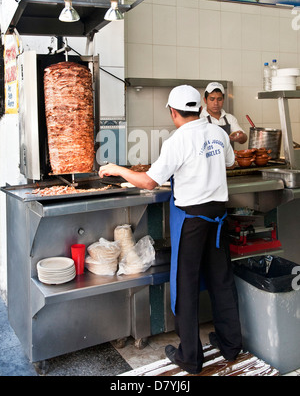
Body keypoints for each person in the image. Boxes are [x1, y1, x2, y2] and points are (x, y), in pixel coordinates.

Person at [98, 85, 242, 374]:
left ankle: (190, 357)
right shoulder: (218, 133)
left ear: (173, 112)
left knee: (186, 287)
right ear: (200, 108)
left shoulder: (177, 141)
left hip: (193, 221)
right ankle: (230, 345)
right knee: (222, 281)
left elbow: (149, 182)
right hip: (218, 218)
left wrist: (118, 169)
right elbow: (230, 161)